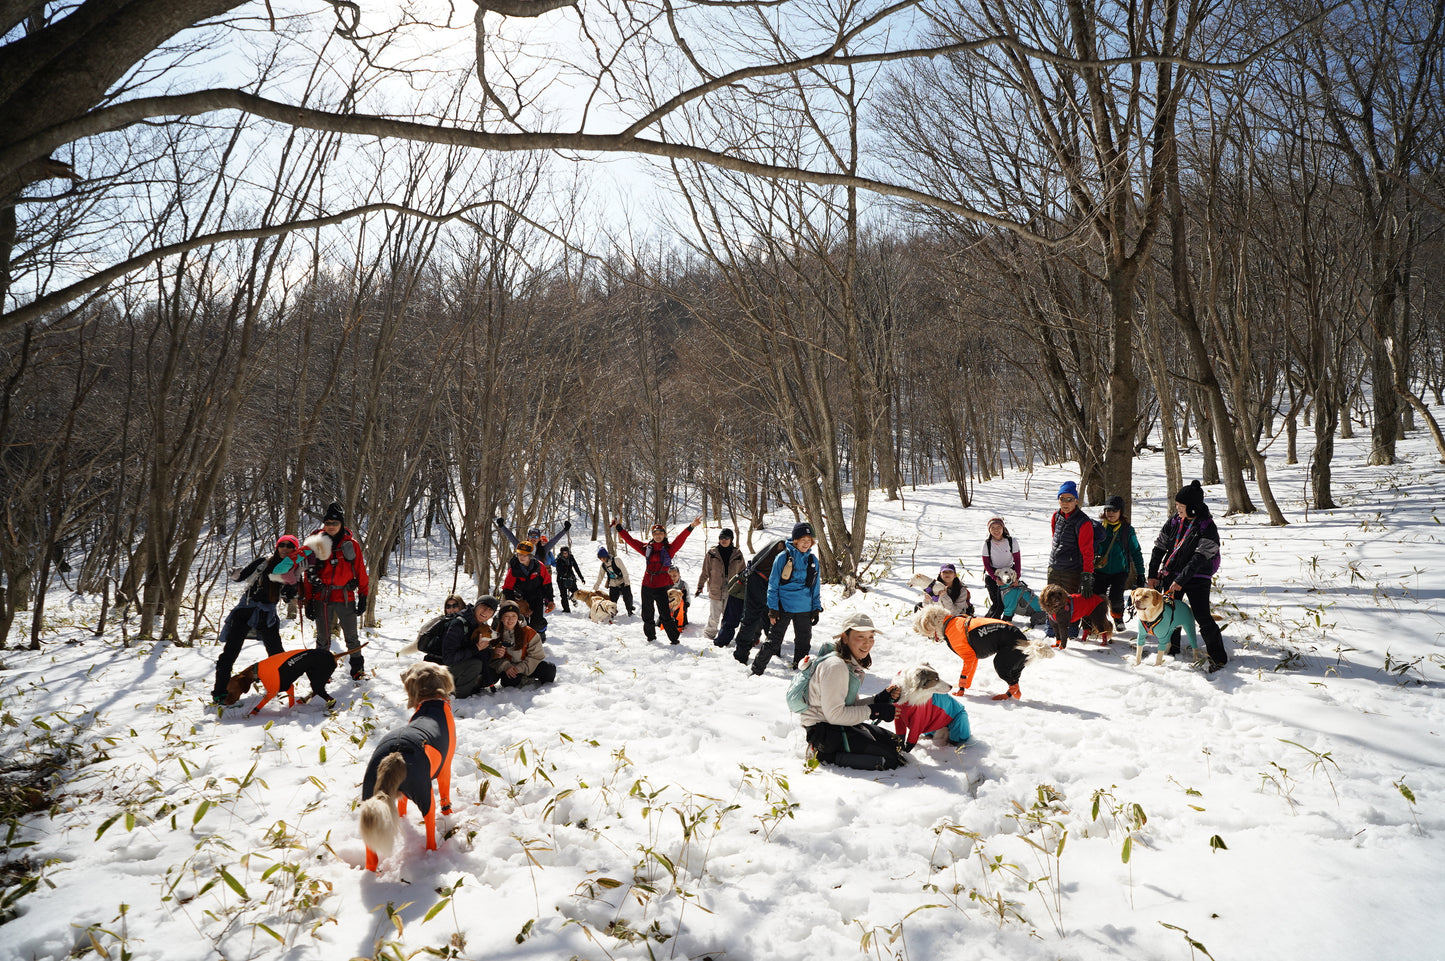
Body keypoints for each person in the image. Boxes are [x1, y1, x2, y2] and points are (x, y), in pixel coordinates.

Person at [799, 613, 905, 771]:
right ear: (845, 637)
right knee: (889, 759)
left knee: (896, 744)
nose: (867, 643)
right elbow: (835, 715)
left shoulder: (848, 663)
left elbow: (849, 706)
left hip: (835, 724)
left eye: (871, 637)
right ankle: (824, 755)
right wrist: (874, 712)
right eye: (860, 636)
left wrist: (878, 699)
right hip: (822, 732)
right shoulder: (835, 666)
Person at [210, 535, 304, 705]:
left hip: (267, 615)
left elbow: (288, 596)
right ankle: (219, 693)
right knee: (229, 654)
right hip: (246, 611)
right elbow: (242, 576)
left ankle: (282, 688)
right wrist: (235, 574)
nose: (284, 548)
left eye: (289, 546)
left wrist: (295, 579)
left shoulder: (293, 569)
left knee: (277, 656)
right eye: (281, 545)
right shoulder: (264, 562)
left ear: (295, 550)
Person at [1148, 480, 1227, 672]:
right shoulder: (1174, 521)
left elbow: (1199, 559)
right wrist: (1152, 574)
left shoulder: (1207, 527)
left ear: (1192, 508)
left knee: (1202, 616)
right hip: (1172, 574)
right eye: (1177, 506)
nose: (1177, 509)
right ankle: (1171, 649)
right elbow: (1159, 546)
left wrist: (1181, 581)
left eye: (1181, 507)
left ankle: (1218, 658)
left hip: (1197, 578)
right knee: (1169, 614)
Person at [912, 605, 1054, 700]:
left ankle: (1013, 688)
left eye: (927, 634)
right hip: (1013, 637)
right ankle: (1013, 689)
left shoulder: (954, 631)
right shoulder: (955, 623)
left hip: (1011, 640)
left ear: (930, 626)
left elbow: (970, 658)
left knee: (1002, 664)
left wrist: (962, 687)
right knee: (1008, 664)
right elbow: (973, 658)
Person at [303, 502, 370, 680]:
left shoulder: (351, 545)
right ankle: (321, 672)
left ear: (341, 524)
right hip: (321, 597)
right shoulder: (315, 544)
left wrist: (363, 595)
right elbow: (307, 575)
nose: (331, 526)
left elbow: (361, 571)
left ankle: (357, 670)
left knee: (351, 637)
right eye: (328, 523)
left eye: (335, 523)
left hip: (345, 596)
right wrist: (308, 601)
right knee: (323, 640)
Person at [612, 515, 701, 644]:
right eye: (655, 533)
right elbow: (630, 541)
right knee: (647, 614)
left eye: (660, 533)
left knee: (665, 614)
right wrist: (619, 528)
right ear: (652, 535)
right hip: (647, 585)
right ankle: (651, 638)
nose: (658, 536)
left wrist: (691, 526)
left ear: (664, 535)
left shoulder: (669, 549)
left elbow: (680, 539)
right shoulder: (647, 548)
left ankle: (674, 639)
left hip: (662, 586)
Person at [751, 522, 824, 675]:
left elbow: (815, 587)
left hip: (805, 607)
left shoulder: (813, 560)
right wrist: (773, 608)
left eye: (809, 539)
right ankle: (756, 670)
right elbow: (773, 584)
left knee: (804, 642)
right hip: (783, 607)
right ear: (795, 540)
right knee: (774, 641)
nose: (806, 543)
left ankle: (800, 671)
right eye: (803, 539)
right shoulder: (782, 557)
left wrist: (816, 608)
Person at [1046, 481, 1094, 642]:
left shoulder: (1083, 522)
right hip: (1054, 566)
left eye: (1069, 499)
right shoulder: (1056, 516)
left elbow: (1087, 551)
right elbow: (1055, 539)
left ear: (1076, 501)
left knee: (1068, 602)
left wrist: (1087, 574)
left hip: (1072, 569)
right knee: (1050, 598)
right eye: (1062, 499)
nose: (1065, 503)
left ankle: (1071, 631)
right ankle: (1051, 630)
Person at [731, 535, 789, 664]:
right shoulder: (784, 546)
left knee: (770, 618)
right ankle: (742, 654)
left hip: (766, 582)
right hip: (759, 580)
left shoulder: (783, 544)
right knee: (753, 618)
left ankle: (771, 652)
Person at [1094, 495, 1146, 633]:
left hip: (1120, 571)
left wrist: (1141, 573)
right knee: (1097, 598)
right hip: (1100, 570)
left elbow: (1136, 551)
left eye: (1114, 511)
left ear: (1120, 512)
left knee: (1115, 597)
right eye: (1108, 510)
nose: (1110, 513)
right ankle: (1098, 622)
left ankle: (1117, 618)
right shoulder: (1098, 528)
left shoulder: (1127, 530)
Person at [438, 596, 501, 697]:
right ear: (476, 606)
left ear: (492, 615)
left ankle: (467, 686)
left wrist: (494, 653)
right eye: (483, 607)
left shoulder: (481, 625)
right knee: (475, 664)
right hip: (440, 670)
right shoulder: (458, 624)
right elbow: (448, 658)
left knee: (492, 674)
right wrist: (476, 648)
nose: (485, 611)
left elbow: (482, 654)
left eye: (490, 610)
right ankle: (457, 695)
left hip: (458, 667)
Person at [488, 599, 557, 685]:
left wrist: (519, 668)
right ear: (501, 618)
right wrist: (506, 666)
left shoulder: (529, 632)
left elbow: (536, 656)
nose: (510, 620)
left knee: (549, 670)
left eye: (513, 616)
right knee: (509, 681)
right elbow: (492, 660)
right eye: (507, 616)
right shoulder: (495, 635)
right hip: (510, 668)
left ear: (518, 617)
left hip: (528, 665)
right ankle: (521, 679)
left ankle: (529, 679)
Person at [696, 529, 746, 640]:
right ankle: (709, 635)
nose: (723, 540)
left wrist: (744, 587)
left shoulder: (737, 553)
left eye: (726, 538)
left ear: (731, 539)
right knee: (714, 614)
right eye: (721, 538)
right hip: (715, 586)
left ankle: (725, 636)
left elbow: (743, 572)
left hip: (732, 586)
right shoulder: (712, 553)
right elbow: (705, 571)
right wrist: (700, 586)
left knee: (728, 614)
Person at [501, 540, 554, 639]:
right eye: (519, 554)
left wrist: (550, 600)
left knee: (536, 623)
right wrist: (514, 604)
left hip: (536, 597)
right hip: (520, 599)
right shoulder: (514, 569)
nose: (521, 557)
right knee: (521, 624)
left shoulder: (540, 567)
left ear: (530, 556)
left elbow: (547, 584)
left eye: (524, 555)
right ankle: (523, 642)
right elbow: (507, 588)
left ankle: (541, 632)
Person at [1038, 584, 1113, 647]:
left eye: (1059, 595)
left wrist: (1063, 646)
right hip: (1089, 603)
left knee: (1098, 622)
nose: (1056, 599)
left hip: (1097, 603)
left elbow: (1064, 628)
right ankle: (1084, 638)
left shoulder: (1064, 608)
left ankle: (1104, 639)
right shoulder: (1053, 611)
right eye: (1051, 595)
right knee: (1086, 619)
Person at [981, 517, 1022, 619]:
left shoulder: (1011, 541)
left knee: (1008, 601)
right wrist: (996, 579)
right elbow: (986, 563)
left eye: (998, 527)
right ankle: (988, 622)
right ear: (989, 530)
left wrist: (1016, 578)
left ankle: (1006, 621)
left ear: (1003, 528)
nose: (996, 530)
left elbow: (1017, 560)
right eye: (993, 528)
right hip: (993, 573)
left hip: (1009, 573)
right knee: (997, 603)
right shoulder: (987, 544)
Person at [495, 517, 571, 566]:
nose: (533, 538)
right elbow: (511, 537)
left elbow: (554, 540)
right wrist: (502, 526)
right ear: (527, 537)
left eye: (536, 536)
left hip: (537, 581)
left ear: (539, 539)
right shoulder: (521, 547)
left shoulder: (544, 549)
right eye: (531, 536)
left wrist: (565, 530)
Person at [594, 547, 635, 615]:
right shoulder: (603, 566)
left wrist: (627, 582)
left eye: (603, 558)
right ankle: (612, 613)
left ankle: (630, 610)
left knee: (627, 597)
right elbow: (600, 577)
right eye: (600, 558)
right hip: (613, 583)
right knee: (612, 600)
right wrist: (596, 587)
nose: (602, 560)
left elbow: (624, 571)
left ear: (607, 556)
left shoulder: (617, 560)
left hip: (623, 581)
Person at [553, 546, 585, 613]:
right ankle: (566, 610)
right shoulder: (559, 559)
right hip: (561, 579)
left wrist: (581, 577)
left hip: (571, 577)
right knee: (563, 595)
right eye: (563, 553)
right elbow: (558, 570)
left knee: (576, 592)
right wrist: (564, 575)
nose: (565, 554)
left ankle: (573, 598)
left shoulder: (571, 558)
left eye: (566, 553)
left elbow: (576, 567)